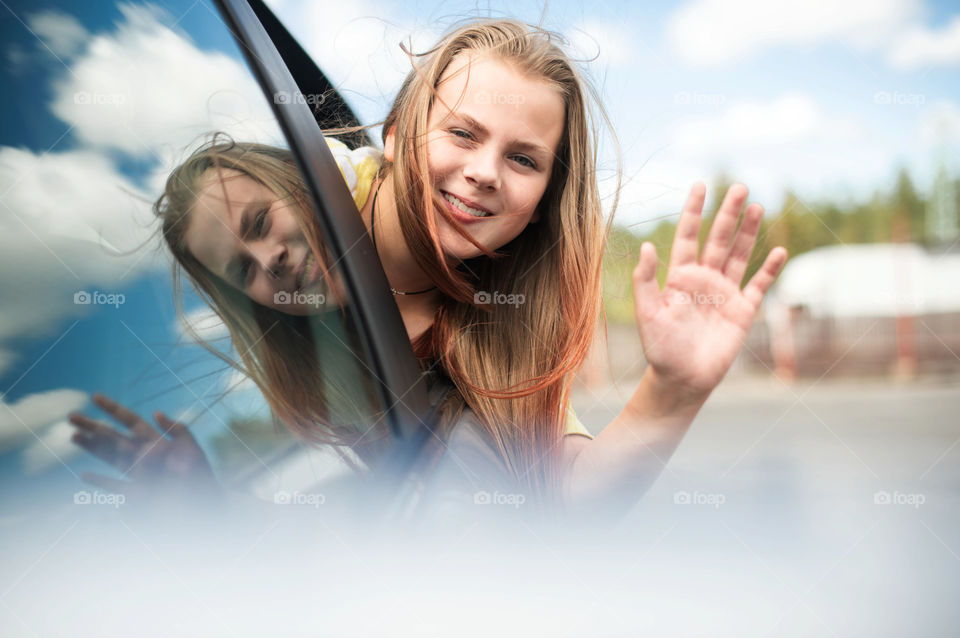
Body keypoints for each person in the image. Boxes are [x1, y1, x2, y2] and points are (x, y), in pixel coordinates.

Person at [69, 19, 786, 517]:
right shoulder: (298, 350)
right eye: (462, 134)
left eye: (523, 158)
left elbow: (560, 496)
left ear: (542, 203)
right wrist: (209, 501)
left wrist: (675, 388)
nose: (482, 174)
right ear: (396, 135)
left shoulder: (503, 322)